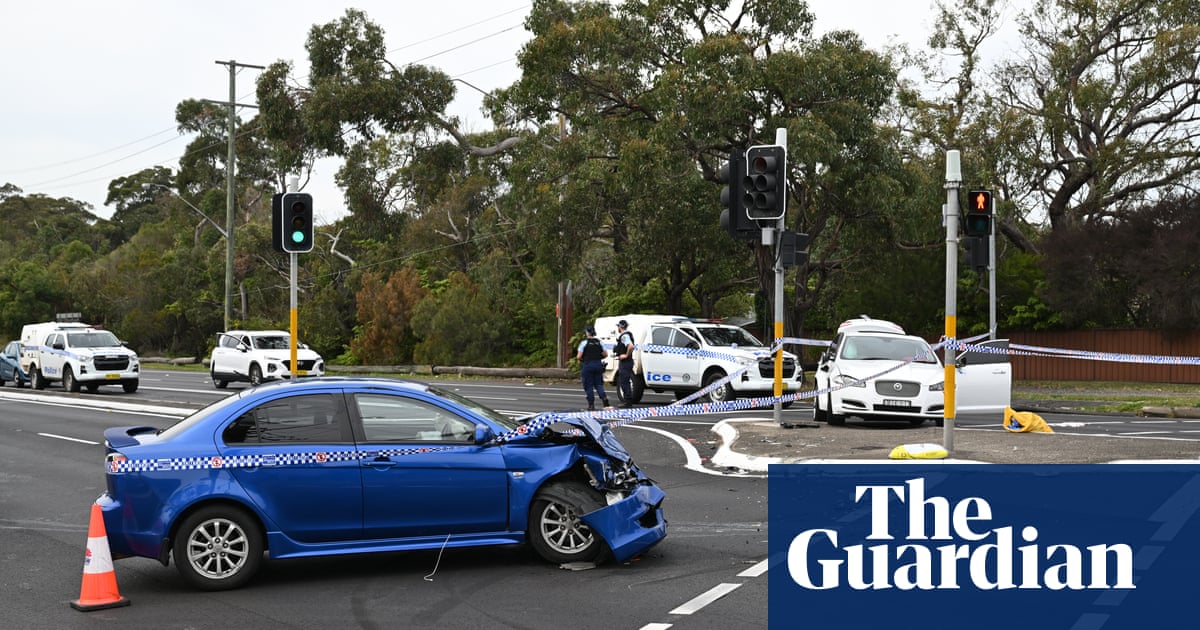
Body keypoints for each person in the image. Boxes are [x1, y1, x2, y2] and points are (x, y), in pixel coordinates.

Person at [576, 325, 610, 410]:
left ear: (587, 332)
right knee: (598, 384)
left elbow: (579, 356)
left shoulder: (584, 343)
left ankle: (591, 404)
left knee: (589, 385)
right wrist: (598, 357)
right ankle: (604, 398)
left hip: (588, 365)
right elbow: (605, 354)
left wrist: (584, 359)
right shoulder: (599, 342)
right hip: (598, 364)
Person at [613, 319, 636, 407]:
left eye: (618, 326)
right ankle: (628, 400)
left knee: (624, 381)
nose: (617, 328)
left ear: (620, 327)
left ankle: (628, 401)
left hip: (625, 362)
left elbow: (630, 346)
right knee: (625, 381)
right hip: (627, 362)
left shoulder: (624, 336)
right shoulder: (627, 335)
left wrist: (626, 355)